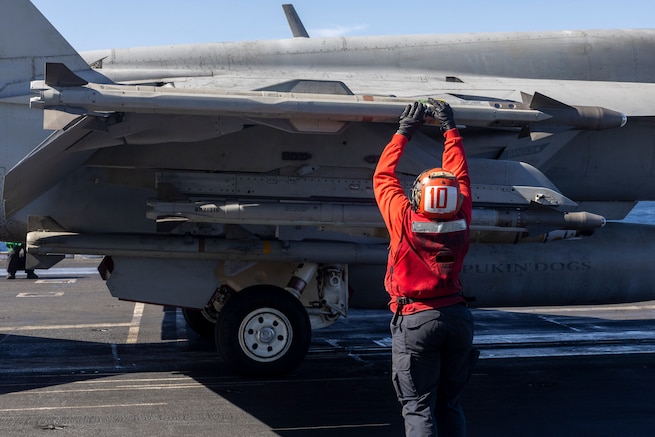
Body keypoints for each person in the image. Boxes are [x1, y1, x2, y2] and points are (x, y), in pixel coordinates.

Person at [373, 100, 478, 436]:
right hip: (457, 320)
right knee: (450, 403)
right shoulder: (462, 219)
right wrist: (450, 129)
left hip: (416, 322)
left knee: (418, 408)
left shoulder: (404, 220)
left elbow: (383, 175)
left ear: (418, 196)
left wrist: (404, 131)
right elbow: (460, 174)